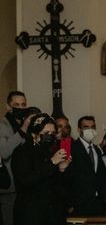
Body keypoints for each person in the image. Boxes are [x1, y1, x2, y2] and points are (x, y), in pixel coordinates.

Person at [12, 113, 70, 225]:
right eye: (46, 133)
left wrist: (61, 169)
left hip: (52, 213)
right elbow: (25, 181)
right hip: (31, 214)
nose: (50, 136)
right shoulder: (21, 152)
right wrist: (52, 162)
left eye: (53, 133)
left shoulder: (50, 152)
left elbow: (57, 185)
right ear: (34, 134)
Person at [0, 91, 36, 225]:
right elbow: (3, 152)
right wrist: (23, 129)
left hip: (25, 185)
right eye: (16, 105)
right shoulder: (2, 126)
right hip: (10, 187)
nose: (21, 108)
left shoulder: (26, 126)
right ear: (8, 107)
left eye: (23, 105)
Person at [65, 116, 106, 216]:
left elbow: (100, 176)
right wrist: (70, 204)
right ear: (79, 130)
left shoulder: (96, 150)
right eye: (86, 127)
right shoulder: (72, 149)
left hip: (97, 203)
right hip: (79, 204)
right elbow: (67, 178)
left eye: (92, 127)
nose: (90, 130)